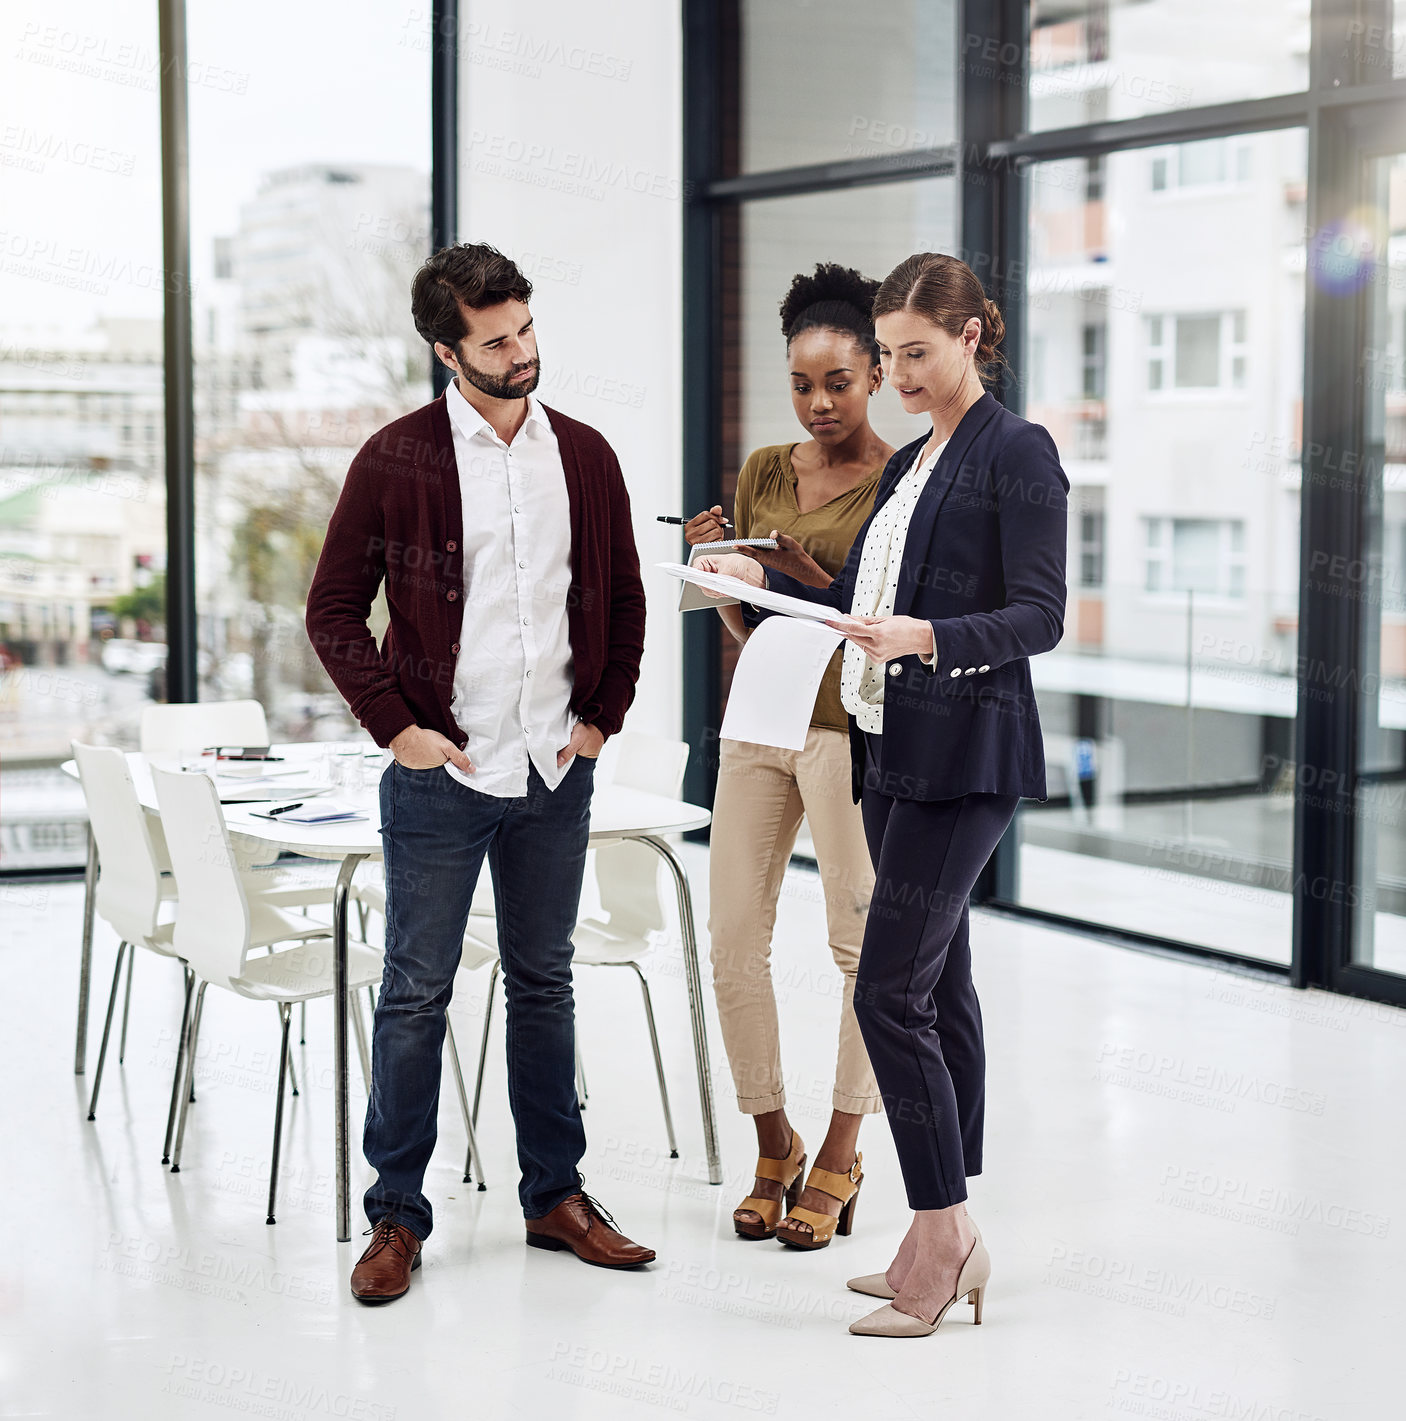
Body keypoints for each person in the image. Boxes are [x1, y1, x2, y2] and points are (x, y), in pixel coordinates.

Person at [696, 251, 1068, 1337]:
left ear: (969, 338)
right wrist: (751, 580)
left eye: (913, 352)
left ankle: (941, 1231)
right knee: (936, 988)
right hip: (891, 745)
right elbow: (853, 585)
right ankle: (938, 1227)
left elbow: (1040, 615)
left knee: (885, 992)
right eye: (890, 354)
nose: (898, 372)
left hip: (968, 754)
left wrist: (930, 636)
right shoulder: (913, 462)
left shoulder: (1015, 451)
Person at [306, 242, 653, 1304]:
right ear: (446, 349)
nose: (521, 353)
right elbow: (331, 608)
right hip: (441, 775)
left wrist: (601, 720)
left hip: (554, 769)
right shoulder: (395, 457)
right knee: (414, 993)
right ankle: (395, 1218)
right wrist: (395, 727)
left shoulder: (584, 456)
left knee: (543, 984)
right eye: (496, 340)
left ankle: (555, 1194)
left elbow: (624, 599)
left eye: (526, 330)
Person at [685, 264, 892, 1250]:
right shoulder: (767, 468)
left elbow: (874, 624)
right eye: (801, 385)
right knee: (730, 937)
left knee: (859, 950)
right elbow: (751, 622)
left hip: (847, 728)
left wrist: (812, 573)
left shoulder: (902, 480)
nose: (817, 404)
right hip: (756, 717)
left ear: (876, 373)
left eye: (836, 383)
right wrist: (714, 564)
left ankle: (842, 1151)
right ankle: (774, 1140)